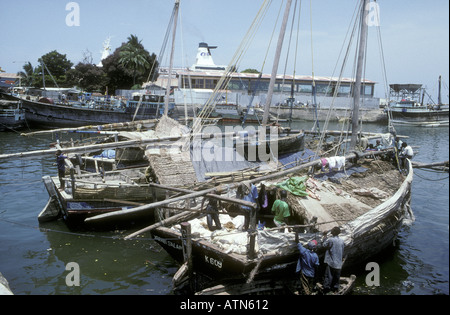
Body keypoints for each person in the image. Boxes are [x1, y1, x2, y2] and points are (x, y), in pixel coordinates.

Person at [322, 226, 345, 293]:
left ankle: (326, 290)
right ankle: (335, 289)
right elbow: (342, 250)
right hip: (339, 262)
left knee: (328, 276)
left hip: (331, 262)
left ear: (334, 232)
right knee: (336, 277)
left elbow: (324, 245)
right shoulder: (341, 241)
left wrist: (325, 236)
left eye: (332, 230)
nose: (331, 230)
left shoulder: (331, 240)